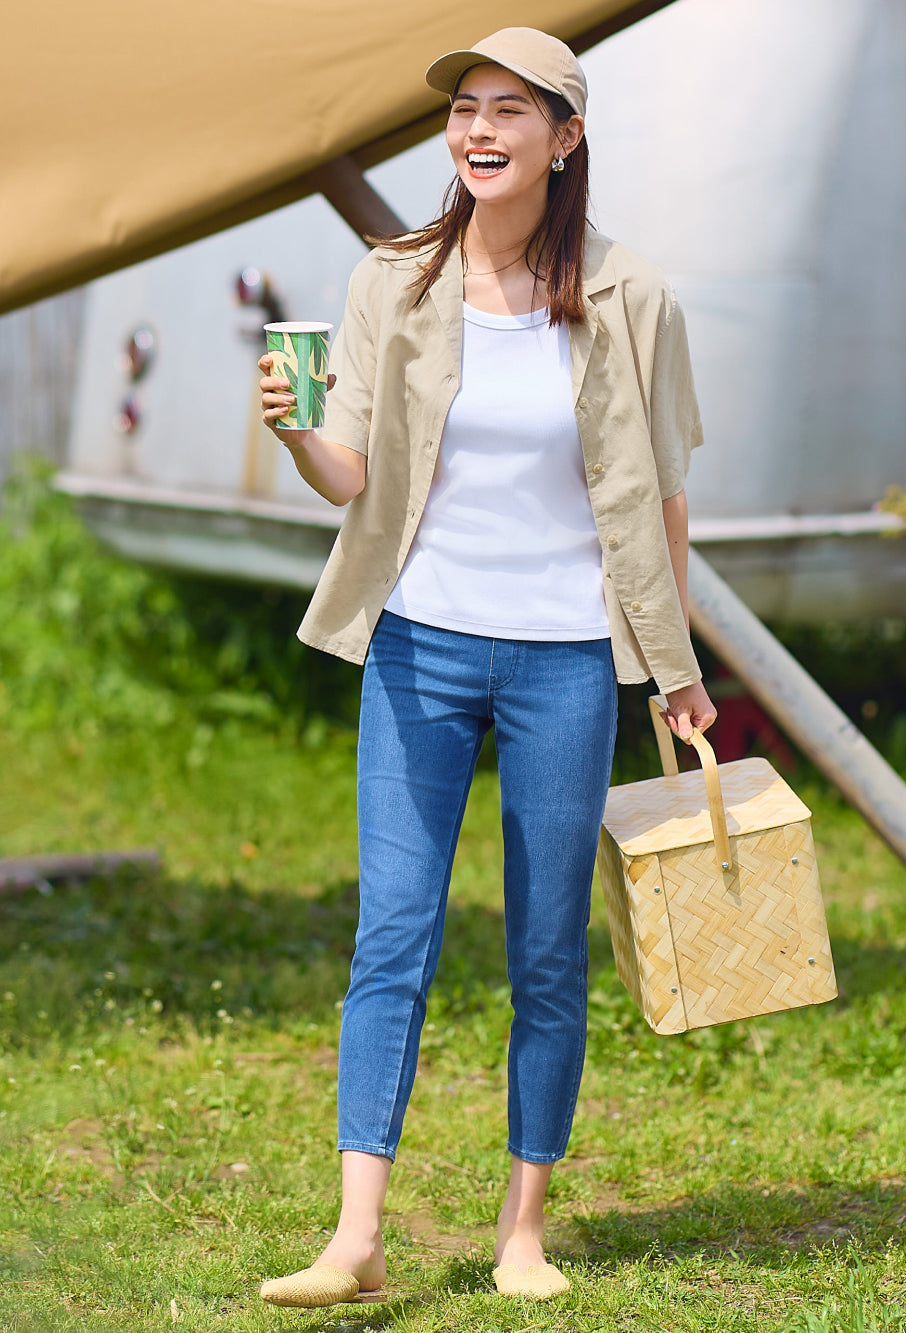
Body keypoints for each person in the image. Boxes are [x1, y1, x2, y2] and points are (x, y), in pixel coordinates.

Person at [255, 27, 717, 1308]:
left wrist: (673, 667)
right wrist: (299, 434)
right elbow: (351, 476)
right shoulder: (391, 280)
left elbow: (664, 496)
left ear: (564, 138)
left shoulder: (632, 295)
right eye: (464, 108)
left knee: (547, 951)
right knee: (391, 931)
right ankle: (357, 1236)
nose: (479, 129)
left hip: (569, 658)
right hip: (419, 643)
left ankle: (523, 1229)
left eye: (509, 108)